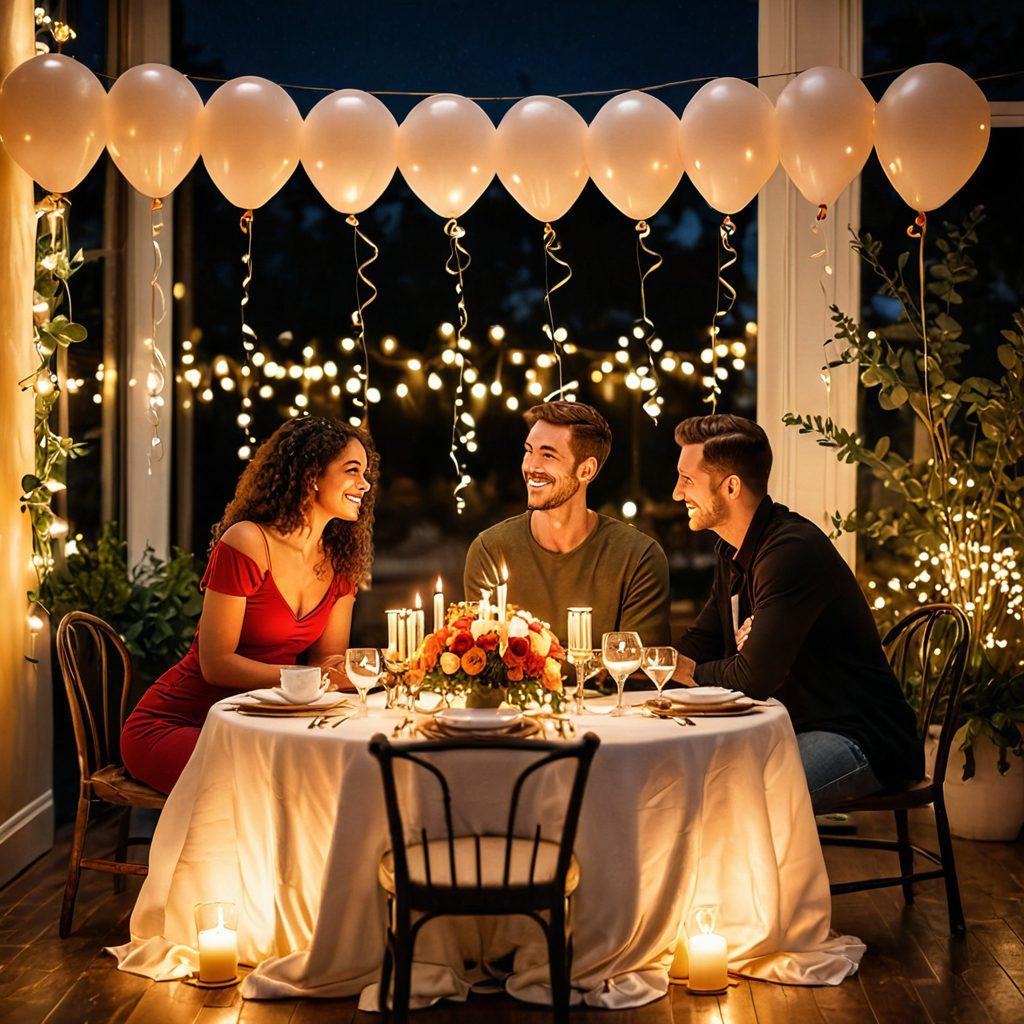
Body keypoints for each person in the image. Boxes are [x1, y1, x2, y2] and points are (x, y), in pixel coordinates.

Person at [671, 414, 923, 810]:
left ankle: (783, 876)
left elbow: (752, 677)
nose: (676, 493)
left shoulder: (790, 552)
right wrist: (650, 672)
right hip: (796, 728)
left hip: (861, 739)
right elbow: (703, 642)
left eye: (687, 480)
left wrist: (682, 670)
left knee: (734, 800)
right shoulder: (732, 552)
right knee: (686, 779)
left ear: (731, 486)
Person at [121, 416, 376, 794]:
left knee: (326, 776)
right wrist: (306, 678)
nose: (365, 484)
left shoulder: (340, 563)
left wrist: (346, 674)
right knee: (260, 787)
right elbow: (215, 663)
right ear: (311, 475)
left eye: (366, 473)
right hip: (179, 722)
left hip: (258, 726)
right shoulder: (246, 543)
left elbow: (328, 663)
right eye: (352, 470)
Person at [464, 401, 670, 646]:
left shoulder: (637, 556)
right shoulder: (490, 550)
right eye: (529, 450)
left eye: (548, 454)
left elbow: (639, 670)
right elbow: (481, 661)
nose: (531, 466)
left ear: (586, 470)